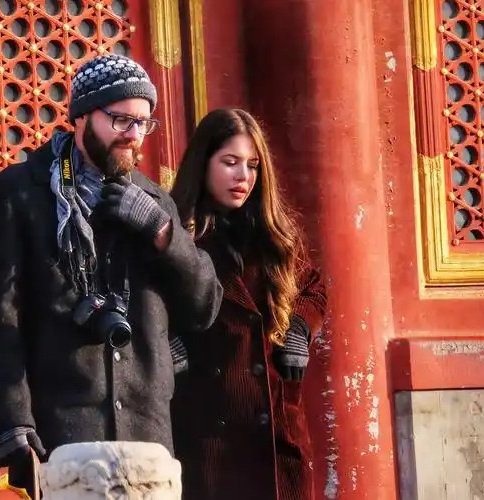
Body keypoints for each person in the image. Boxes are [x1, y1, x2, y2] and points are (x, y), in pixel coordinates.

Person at [0, 54, 223, 491]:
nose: (134, 135)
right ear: (83, 115)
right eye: (121, 120)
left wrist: (164, 235)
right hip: (59, 431)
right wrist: (12, 425)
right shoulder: (21, 195)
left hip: (146, 435)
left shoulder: (153, 201)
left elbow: (204, 307)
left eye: (144, 123)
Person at [169, 108, 327, 499]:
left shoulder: (273, 236)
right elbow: (139, 298)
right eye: (230, 162)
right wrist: (165, 342)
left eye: (253, 165)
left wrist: (300, 329)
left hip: (276, 434)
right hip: (208, 436)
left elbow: (315, 287)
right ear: (203, 163)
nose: (243, 176)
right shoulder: (175, 236)